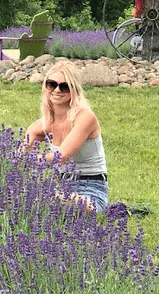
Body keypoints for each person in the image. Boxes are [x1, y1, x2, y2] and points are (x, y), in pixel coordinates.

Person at [25, 62, 108, 213]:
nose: (57, 90)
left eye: (64, 86)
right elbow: (21, 153)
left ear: (74, 90)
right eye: (52, 84)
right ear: (45, 87)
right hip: (61, 185)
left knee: (55, 200)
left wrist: (28, 159)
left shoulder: (85, 117)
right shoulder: (42, 124)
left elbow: (60, 157)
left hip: (91, 188)